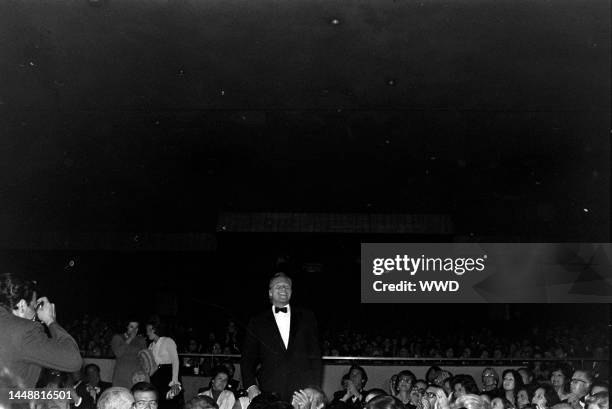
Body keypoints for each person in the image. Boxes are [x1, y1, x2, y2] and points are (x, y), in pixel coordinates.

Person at [241, 272, 322, 402]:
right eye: (278, 286)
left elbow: (315, 355)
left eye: (287, 286)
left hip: (303, 390)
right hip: (269, 388)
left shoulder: (307, 316)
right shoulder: (257, 321)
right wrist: (251, 387)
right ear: (270, 293)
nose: (283, 289)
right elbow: (247, 358)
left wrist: (315, 387)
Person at [0, 273, 83, 388]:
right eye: (34, 307)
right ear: (22, 305)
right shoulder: (25, 331)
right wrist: (50, 321)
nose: (36, 314)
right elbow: (74, 360)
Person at [146, 318, 181, 409]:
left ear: (155, 329)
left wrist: (174, 382)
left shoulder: (168, 341)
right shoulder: (150, 346)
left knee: (169, 402)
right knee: (157, 401)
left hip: (167, 374)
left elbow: (175, 361)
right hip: (156, 375)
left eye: (149, 330)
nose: (147, 333)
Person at [111, 320, 147, 388]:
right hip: (121, 375)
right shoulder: (118, 337)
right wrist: (130, 338)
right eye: (131, 327)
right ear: (126, 327)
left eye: (135, 328)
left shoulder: (141, 340)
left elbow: (144, 358)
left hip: (136, 376)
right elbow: (118, 353)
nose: (133, 330)